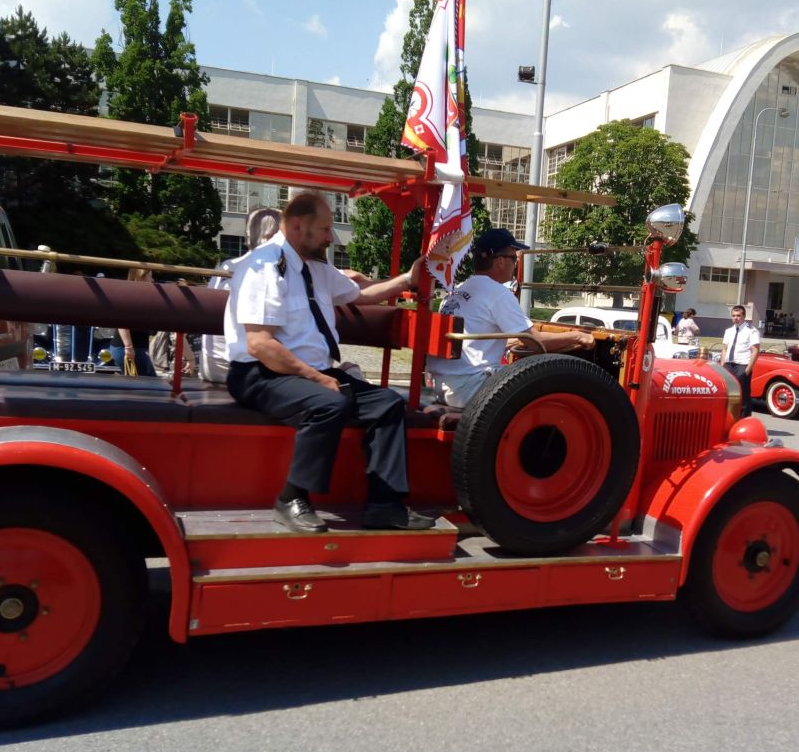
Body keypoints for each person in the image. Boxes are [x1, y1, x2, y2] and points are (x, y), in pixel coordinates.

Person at [224, 191, 431, 533]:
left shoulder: (314, 267)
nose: (330, 237)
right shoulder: (264, 267)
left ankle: (385, 505)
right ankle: (290, 498)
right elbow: (260, 345)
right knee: (329, 403)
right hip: (260, 374)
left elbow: (360, 294)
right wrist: (317, 379)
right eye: (323, 229)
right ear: (295, 225)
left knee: (387, 403)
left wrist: (409, 279)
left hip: (304, 373)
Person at [425, 228, 595, 409]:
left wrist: (508, 341)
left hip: (442, 385)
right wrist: (578, 336)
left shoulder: (457, 290)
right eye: (513, 258)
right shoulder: (497, 293)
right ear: (499, 261)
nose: (515, 263)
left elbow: (474, 337)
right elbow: (536, 342)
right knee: (551, 386)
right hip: (469, 388)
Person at [201, 207, 282, 383]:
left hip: (211, 365)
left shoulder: (226, 267)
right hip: (240, 368)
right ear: (273, 235)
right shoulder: (271, 268)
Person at [110, 268, 158, 377]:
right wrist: (128, 347)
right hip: (128, 348)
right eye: (150, 276)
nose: (152, 279)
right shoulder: (130, 296)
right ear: (140, 277)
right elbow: (121, 321)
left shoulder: (141, 297)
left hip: (136, 347)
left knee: (142, 381)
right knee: (147, 381)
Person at [721, 304, 760, 418]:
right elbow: (724, 349)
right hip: (729, 365)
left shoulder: (751, 331)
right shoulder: (728, 331)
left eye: (738, 315)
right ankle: (728, 418)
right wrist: (722, 366)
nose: (735, 318)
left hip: (742, 365)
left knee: (743, 395)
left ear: (744, 316)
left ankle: (744, 420)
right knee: (728, 394)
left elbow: (755, 350)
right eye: (733, 316)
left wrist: (747, 370)